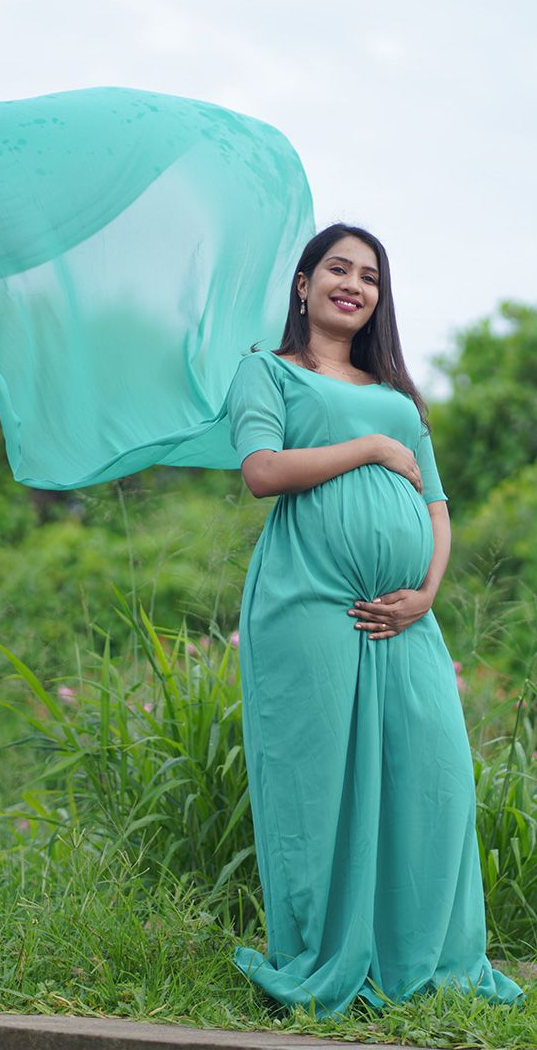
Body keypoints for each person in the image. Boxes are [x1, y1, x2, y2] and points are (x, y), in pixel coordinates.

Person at [225, 221, 526, 1017]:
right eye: (338, 269)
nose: (354, 285)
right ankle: (325, 954)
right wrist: (367, 449)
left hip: (407, 615)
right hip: (309, 598)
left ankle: (425, 960)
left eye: (370, 276)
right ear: (303, 284)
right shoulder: (267, 371)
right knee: (320, 784)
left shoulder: (397, 396)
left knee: (436, 777)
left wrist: (426, 593)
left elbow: (437, 506)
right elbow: (262, 471)